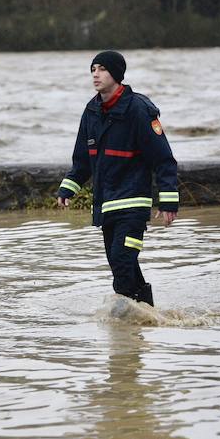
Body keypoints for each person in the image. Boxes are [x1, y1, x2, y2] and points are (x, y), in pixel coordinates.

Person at [56, 51, 179, 307]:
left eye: (101, 69)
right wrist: (68, 188)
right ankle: (145, 315)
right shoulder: (91, 111)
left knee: (122, 262)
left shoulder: (139, 110)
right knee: (122, 265)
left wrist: (168, 201)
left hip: (133, 207)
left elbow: (163, 158)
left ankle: (129, 324)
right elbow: (82, 159)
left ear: (117, 74)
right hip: (106, 206)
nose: (95, 74)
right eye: (93, 69)